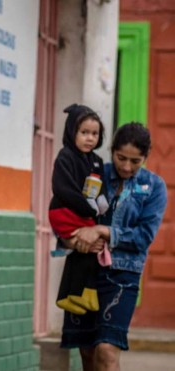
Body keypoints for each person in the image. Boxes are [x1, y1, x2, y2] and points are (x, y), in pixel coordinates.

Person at [62, 122, 167, 371]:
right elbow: (67, 212)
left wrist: (103, 231)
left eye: (135, 161)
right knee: (87, 353)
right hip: (84, 270)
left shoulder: (154, 187)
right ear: (112, 150)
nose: (127, 167)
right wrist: (71, 237)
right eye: (121, 158)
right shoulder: (93, 174)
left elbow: (143, 236)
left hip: (123, 277)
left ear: (145, 157)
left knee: (106, 352)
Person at [48, 104, 109, 315]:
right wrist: (90, 210)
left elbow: (101, 188)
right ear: (72, 132)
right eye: (84, 133)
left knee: (88, 249)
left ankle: (72, 294)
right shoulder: (65, 157)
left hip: (82, 213)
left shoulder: (97, 161)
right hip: (64, 211)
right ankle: (79, 292)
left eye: (94, 133)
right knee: (91, 242)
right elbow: (64, 189)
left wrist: (102, 202)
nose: (89, 138)